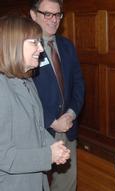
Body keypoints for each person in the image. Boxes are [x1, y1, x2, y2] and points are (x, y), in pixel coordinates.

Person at [0, 15, 70, 191]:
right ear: (13, 44)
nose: (41, 48)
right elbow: (4, 156)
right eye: (34, 42)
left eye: (40, 42)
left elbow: (37, 127)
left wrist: (52, 145)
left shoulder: (27, 80)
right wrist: (48, 155)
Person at [30, 0, 85, 191]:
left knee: (67, 183)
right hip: (37, 130)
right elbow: (25, 93)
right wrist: (52, 121)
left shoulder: (68, 46)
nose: (54, 20)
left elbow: (78, 84)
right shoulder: (24, 48)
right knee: (38, 184)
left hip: (67, 127)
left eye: (58, 14)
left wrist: (71, 113)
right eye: (47, 14)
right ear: (33, 14)